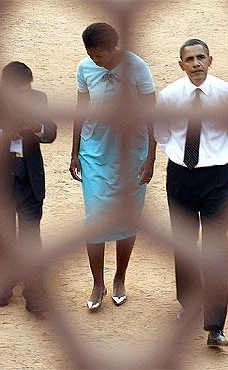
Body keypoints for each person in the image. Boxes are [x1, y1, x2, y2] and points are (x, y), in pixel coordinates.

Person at [155, 39, 228, 346]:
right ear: (181, 64)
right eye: (189, 59)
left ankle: (215, 326)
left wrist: (221, 156)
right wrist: (181, 158)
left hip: (216, 179)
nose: (196, 63)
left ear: (210, 59)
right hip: (180, 177)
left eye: (201, 57)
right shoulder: (169, 96)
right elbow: (161, 133)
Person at [69, 23, 156, 310]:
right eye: (91, 56)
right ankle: (98, 283)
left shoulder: (137, 67)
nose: (95, 60)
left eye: (99, 56)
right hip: (95, 150)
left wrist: (151, 157)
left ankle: (119, 278)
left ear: (113, 48)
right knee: (94, 218)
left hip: (132, 151)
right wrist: (74, 152)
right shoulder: (85, 68)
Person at [0, 61, 57, 313]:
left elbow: (50, 132)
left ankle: (34, 291)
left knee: (31, 235)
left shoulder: (38, 99)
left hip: (29, 177)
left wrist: (36, 128)